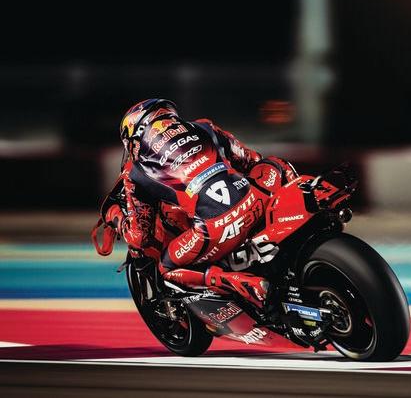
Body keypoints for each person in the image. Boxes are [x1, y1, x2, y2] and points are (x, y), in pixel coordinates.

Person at [101, 99, 297, 306]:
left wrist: (116, 219)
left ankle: (243, 283)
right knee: (275, 163)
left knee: (167, 268)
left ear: (134, 139)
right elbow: (251, 160)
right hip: (255, 199)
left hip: (214, 229)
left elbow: (140, 238)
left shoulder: (135, 172)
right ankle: (303, 201)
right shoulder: (204, 127)